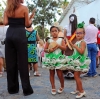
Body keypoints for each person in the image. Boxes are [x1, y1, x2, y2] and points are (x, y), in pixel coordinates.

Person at [3, 0, 33, 96]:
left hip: (10, 33)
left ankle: (12, 89)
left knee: (10, 62)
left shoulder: (7, 9)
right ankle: (26, 89)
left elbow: (5, 22)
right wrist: (31, 19)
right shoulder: (24, 8)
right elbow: (27, 24)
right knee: (23, 62)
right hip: (20, 34)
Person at [65, 23, 91, 98]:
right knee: (77, 75)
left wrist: (75, 46)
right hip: (77, 60)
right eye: (77, 33)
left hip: (80, 61)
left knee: (76, 76)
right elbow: (75, 49)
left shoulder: (83, 42)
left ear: (84, 34)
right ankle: (77, 89)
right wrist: (72, 45)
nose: (78, 34)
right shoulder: (78, 41)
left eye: (80, 33)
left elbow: (81, 51)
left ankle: (82, 91)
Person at [42, 25, 66, 95]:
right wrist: (49, 50)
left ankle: (62, 86)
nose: (54, 32)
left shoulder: (61, 40)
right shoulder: (49, 40)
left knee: (59, 74)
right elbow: (45, 50)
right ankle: (53, 87)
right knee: (51, 73)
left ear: (58, 32)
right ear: (50, 33)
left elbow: (64, 48)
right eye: (52, 31)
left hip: (58, 58)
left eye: (56, 31)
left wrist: (59, 46)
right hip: (51, 58)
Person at [63, 14, 78, 78]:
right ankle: (73, 71)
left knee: (67, 58)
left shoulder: (66, 27)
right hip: (75, 44)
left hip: (67, 44)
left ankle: (68, 71)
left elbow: (64, 37)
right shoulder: (77, 28)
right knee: (74, 58)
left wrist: (67, 42)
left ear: (69, 19)